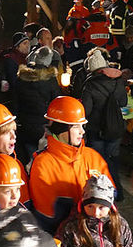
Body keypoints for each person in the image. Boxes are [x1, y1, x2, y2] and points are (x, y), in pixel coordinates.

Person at [28, 96, 114, 234]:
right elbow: (46, 217)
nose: (82, 131)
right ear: (60, 128)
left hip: (97, 234)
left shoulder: (92, 156)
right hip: (65, 239)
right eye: (76, 126)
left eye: (82, 126)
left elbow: (110, 198)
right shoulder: (43, 164)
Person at [81, 47, 127, 194]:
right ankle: (117, 190)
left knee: (98, 162)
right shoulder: (118, 81)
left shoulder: (90, 84)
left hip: (97, 130)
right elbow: (123, 102)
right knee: (112, 160)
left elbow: (86, 111)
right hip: (115, 128)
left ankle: (102, 192)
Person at [14, 47, 61, 164]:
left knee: (29, 154)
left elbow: (15, 102)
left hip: (25, 125)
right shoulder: (50, 79)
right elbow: (56, 102)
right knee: (42, 158)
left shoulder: (22, 77)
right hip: (43, 125)